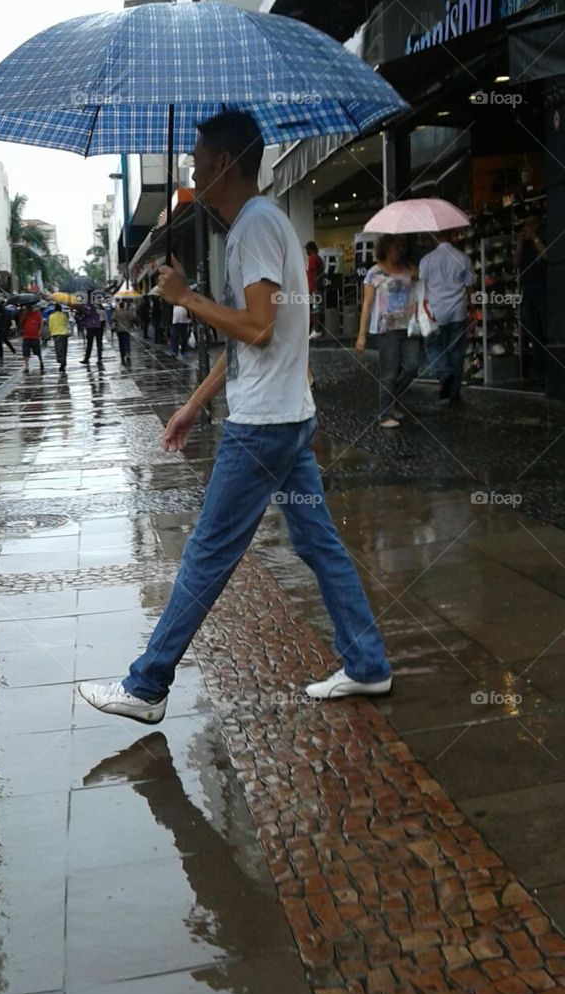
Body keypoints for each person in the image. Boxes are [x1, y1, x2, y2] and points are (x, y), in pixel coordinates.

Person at [78, 110, 392, 723]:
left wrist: (185, 297)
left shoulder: (252, 229)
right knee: (319, 542)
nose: (191, 166)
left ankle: (146, 686)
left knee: (207, 552)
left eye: (197, 156)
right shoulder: (263, 223)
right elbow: (256, 342)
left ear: (224, 163)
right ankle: (368, 664)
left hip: (264, 428)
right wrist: (194, 404)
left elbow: (257, 325)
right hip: (289, 417)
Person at [356, 234, 420, 428]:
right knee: (389, 373)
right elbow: (366, 305)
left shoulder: (409, 268)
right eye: (395, 246)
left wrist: (415, 275)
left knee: (412, 366)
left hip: (410, 327)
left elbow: (418, 291)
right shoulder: (374, 273)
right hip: (387, 329)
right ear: (385, 248)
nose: (399, 250)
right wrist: (362, 335)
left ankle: (393, 401)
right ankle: (384, 414)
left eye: (401, 246)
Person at [419, 228, 474, 404]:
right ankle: (455, 393)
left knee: (433, 347)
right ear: (452, 236)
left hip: (436, 313)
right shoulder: (463, 257)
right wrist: (472, 309)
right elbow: (470, 287)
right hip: (458, 311)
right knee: (456, 352)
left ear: (435, 238)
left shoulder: (426, 260)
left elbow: (422, 288)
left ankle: (444, 374)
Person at [513, 212, 547, 382]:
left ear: (538, 224)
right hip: (528, 291)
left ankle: (549, 371)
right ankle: (540, 372)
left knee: (545, 330)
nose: (527, 228)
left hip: (543, 290)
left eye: (531, 224)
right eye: (525, 225)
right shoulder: (524, 244)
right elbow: (515, 263)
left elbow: (547, 256)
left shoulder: (545, 236)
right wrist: (519, 245)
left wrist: (534, 237)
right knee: (533, 333)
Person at [305, 242, 325, 340]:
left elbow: (315, 273)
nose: (306, 252)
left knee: (315, 309)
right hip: (316, 287)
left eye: (307, 250)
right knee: (315, 308)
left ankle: (317, 330)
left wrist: (315, 289)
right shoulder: (319, 258)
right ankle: (315, 330)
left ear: (310, 249)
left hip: (313, 288)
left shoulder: (313, 258)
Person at [21, 304, 45, 374]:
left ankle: (41, 362)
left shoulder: (37, 313)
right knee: (25, 353)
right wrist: (23, 314)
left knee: (38, 352)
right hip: (26, 336)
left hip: (35, 336)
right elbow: (21, 322)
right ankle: (26, 367)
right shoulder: (25, 314)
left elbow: (41, 322)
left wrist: (40, 330)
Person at [113, 300, 137, 368]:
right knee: (127, 341)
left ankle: (122, 354)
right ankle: (128, 353)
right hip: (126, 329)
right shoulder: (127, 311)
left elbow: (113, 318)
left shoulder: (116, 312)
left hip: (119, 330)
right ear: (124, 305)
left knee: (121, 343)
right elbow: (132, 318)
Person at [48, 303, 69, 373]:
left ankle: (61, 361)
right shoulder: (64, 315)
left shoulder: (51, 316)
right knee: (64, 349)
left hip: (56, 334)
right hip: (64, 334)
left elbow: (50, 326)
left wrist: (50, 333)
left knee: (58, 349)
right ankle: (64, 362)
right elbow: (66, 323)